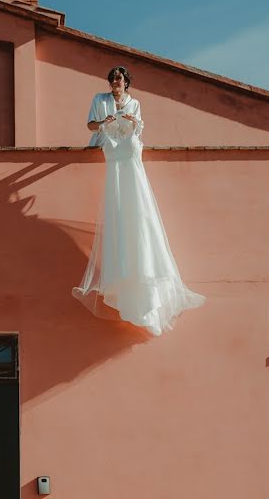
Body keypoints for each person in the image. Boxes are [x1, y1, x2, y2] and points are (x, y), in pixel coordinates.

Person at [73, 66, 204, 335]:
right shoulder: (100, 101)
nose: (115, 82)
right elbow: (90, 125)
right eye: (111, 78)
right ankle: (124, 283)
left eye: (119, 78)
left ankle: (144, 284)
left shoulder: (135, 104)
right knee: (119, 227)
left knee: (141, 224)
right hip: (115, 181)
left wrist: (132, 122)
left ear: (126, 81)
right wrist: (104, 124)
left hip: (134, 179)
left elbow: (137, 132)